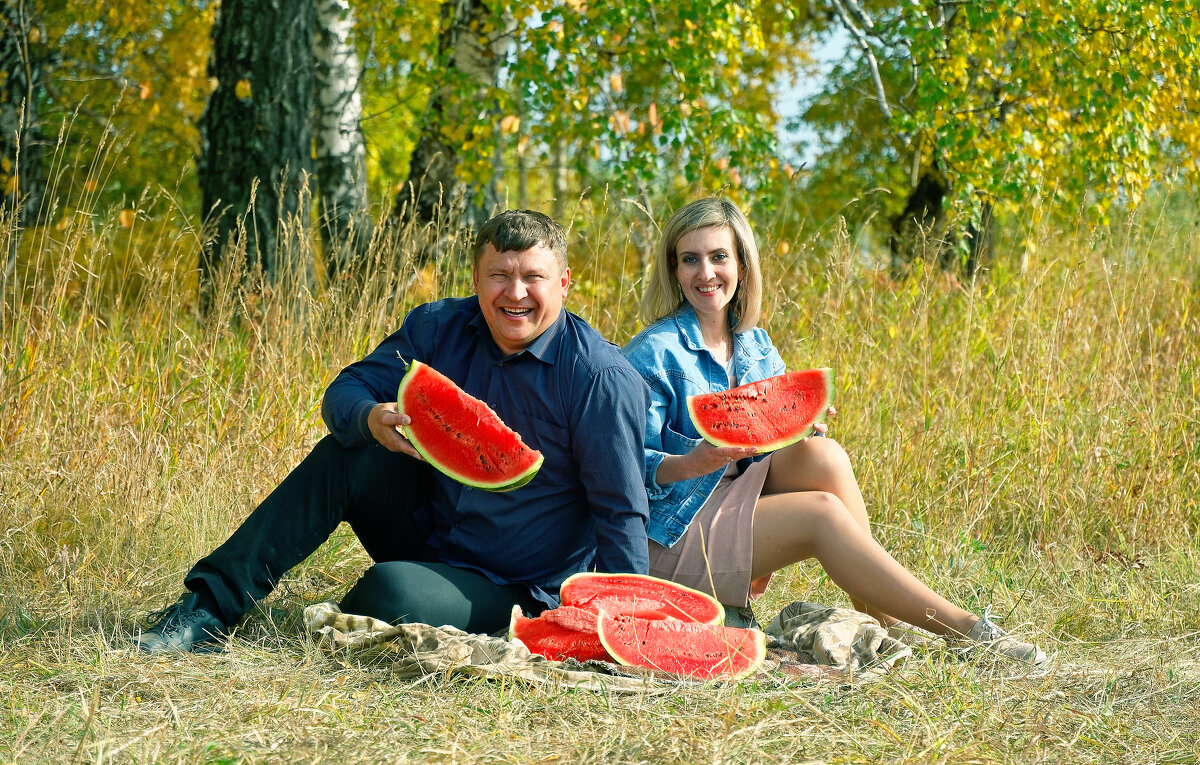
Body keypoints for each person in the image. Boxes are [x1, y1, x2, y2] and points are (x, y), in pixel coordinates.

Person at [135, 210, 651, 653]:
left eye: (533, 277)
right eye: (499, 275)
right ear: (476, 278)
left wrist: (623, 630)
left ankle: (418, 603)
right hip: (429, 534)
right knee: (348, 451)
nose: (515, 293)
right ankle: (206, 608)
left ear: (563, 282)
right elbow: (349, 386)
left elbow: (619, 508)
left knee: (389, 591)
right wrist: (368, 418)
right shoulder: (437, 327)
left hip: (516, 585)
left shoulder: (599, 378)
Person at [621, 197, 1047, 664]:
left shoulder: (754, 344)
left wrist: (797, 432)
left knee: (824, 456)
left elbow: (759, 449)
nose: (706, 273)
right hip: (675, 531)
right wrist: (690, 461)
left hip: (734, 496)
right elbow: (622, 468)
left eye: (719, 256)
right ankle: (966, 629)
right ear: (674, 270)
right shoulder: (652, 352)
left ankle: (882, 625)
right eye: (690, 259)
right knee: (821, 513)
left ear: (742, 264)